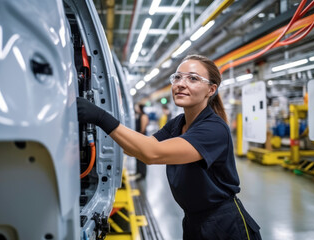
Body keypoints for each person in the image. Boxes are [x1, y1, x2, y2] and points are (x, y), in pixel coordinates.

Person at [77, 54, 261, 239]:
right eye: (178, 77)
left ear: (211, 90)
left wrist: (100, 117)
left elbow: (152, 154)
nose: (181, 83)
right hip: (193, 221)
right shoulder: (178, 123)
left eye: (193, 78)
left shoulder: (214, 129)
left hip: (225, 226)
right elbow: (137, 148)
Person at [134, 103, 149, 179]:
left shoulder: (143, 116)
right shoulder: (139, 115)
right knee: (138, 156)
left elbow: (142, 129)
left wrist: (139, 138)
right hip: (138, 138)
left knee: (142, 156)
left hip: (141, 138)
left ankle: (142, 173)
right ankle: (138, 172)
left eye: (137, 107)